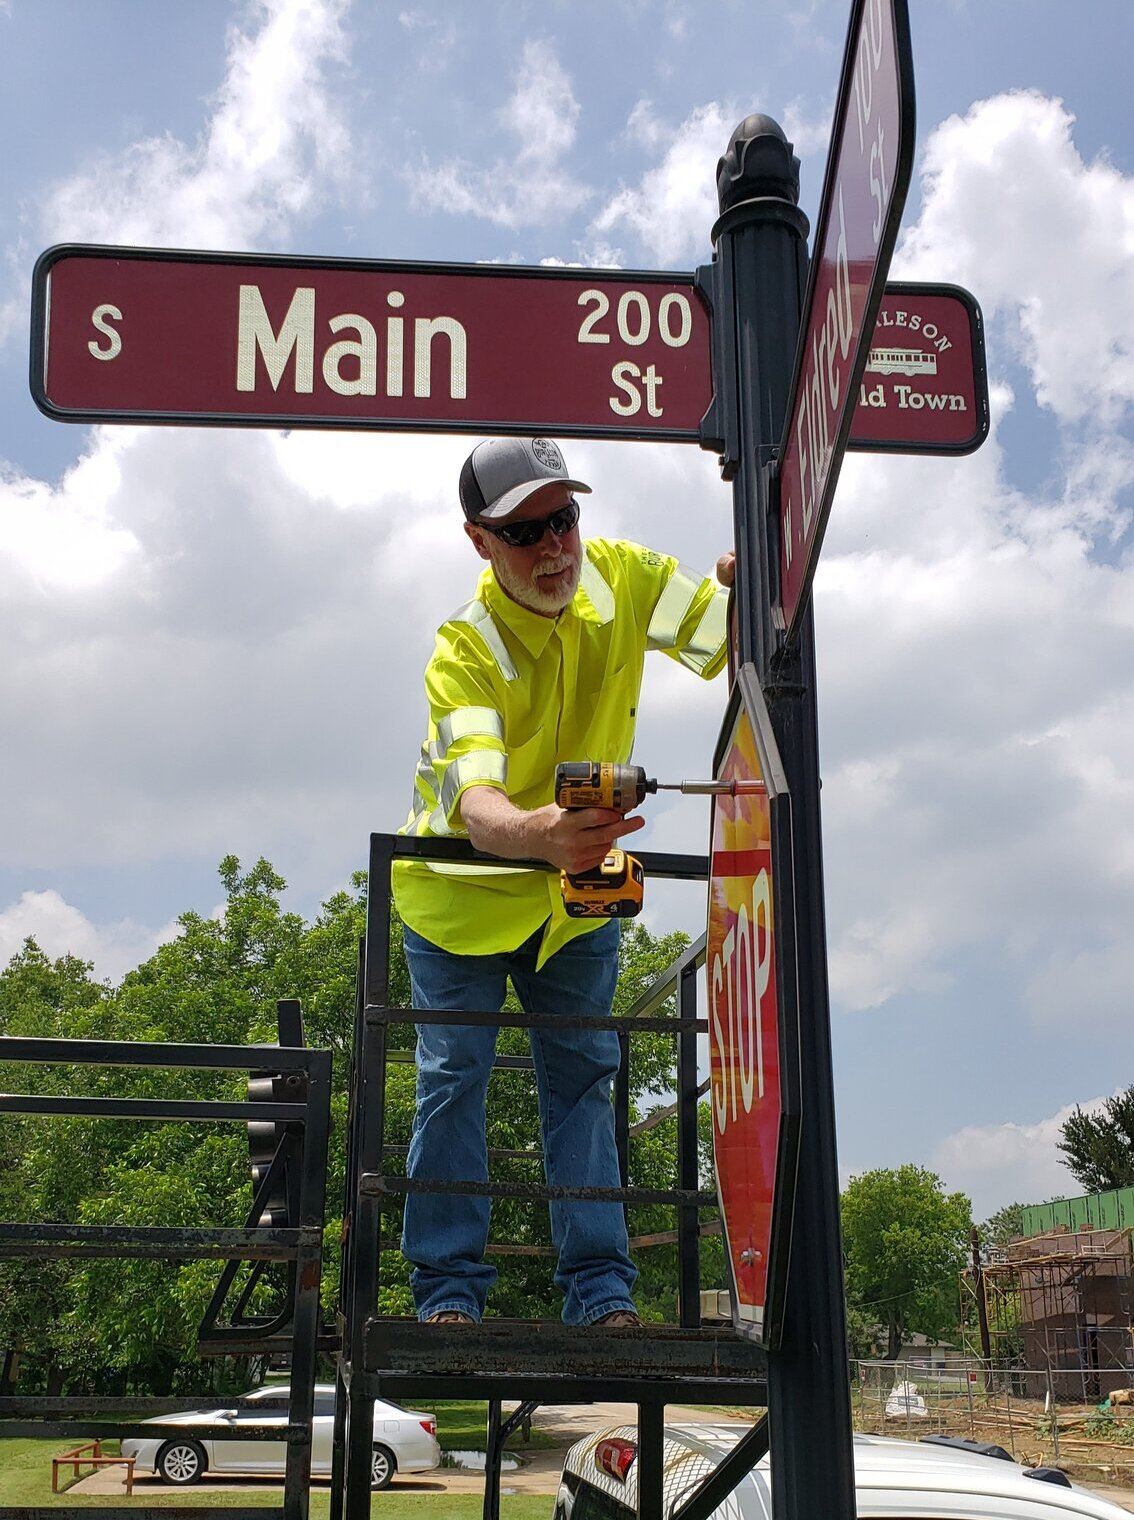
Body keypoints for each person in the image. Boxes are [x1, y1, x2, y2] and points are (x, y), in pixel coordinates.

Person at [393, 435, 734, 1327]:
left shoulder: (621, 576)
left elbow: (732, 635)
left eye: (565, 519)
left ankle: (600, 1293)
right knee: (454, 1079)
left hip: (573, 897)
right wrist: (538, 834)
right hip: (460, 900)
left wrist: (757, 585)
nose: (554, 548)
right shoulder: (464, 649)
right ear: (480, 542)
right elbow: (477, 804)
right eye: (525, 532)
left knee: (586, 1079)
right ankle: (448, 1294)